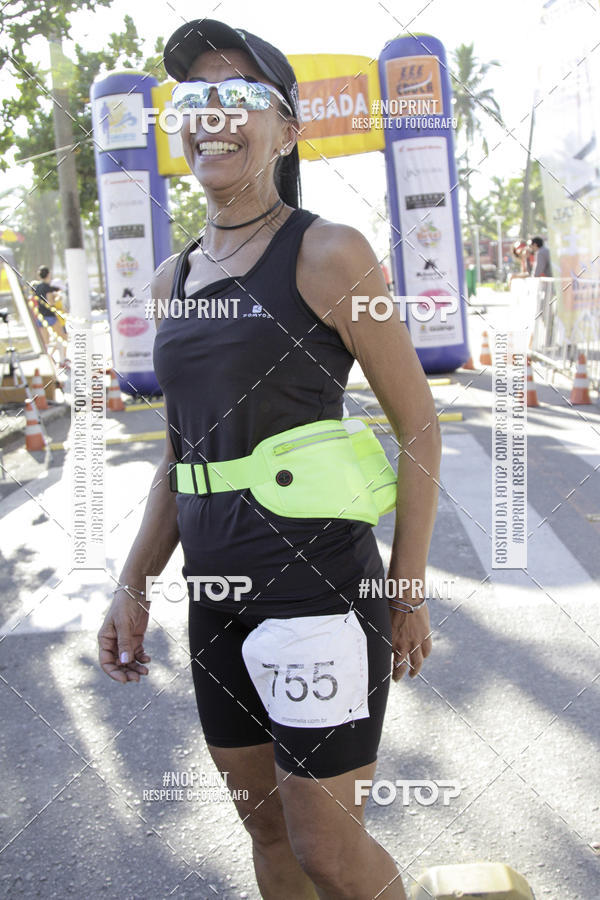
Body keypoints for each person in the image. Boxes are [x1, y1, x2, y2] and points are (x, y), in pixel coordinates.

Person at [97, 18, 441, 899]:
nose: (214, 114)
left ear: (287, 130)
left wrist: (406, 591)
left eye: (241, 94)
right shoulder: (172, 280)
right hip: (215, 600)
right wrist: (133, 581)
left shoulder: (328, 253)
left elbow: (418, 425)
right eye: (196, 97)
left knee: (329, 849)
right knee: (266, 833)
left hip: (318, 595)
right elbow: (182, 455)